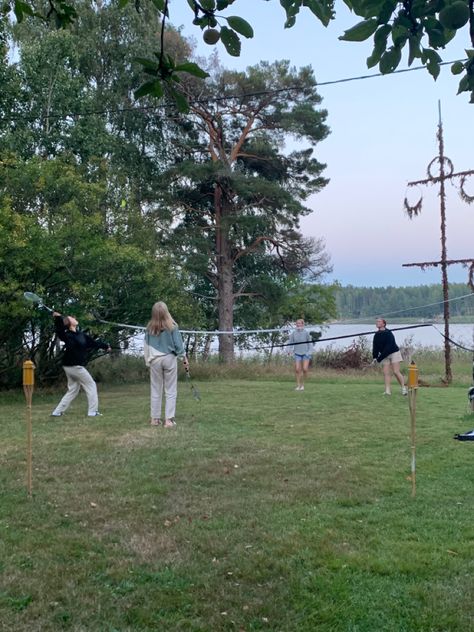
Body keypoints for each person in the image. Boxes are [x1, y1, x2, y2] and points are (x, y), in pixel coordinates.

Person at [51, 312, 111, 417]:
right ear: (70, 323)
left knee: (73, 390)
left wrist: (106, 346)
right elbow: (60, 331)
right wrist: (58, 319)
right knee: (91, 385)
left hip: (71, 367)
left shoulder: (81, 335)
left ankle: (57, 412)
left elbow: (93, 343)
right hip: (74, 367)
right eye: (71, 318)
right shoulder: (68, 335)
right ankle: (92, 412)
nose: (74, 318)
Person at [144, 301, 189, 428]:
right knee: (170, 390)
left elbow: (146, 346)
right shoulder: (173, 326)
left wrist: (148, 361)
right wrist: (184, 359)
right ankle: (169, 420)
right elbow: (179, 346)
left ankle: (155, 419)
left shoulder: (149, 328)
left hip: (155, 360)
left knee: (155, 389)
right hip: (169, 358)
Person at [372, 317, 407, 396]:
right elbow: (375, 347)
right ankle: (387, 391)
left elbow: (389, 348)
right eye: (376, 321)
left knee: (396, 372)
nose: (377, 322)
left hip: (393, 352)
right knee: (386, 373)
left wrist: (379, 359)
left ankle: (403, 388)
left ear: (383, 324)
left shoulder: (388, 333)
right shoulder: (376, 335)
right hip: (384, 355)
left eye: (379, 321)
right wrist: (375, 357)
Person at [288, 318, 313, 391]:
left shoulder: (306, 333)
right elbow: (290, 343)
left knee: (305, 369)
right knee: (297, 369)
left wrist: (309, 352)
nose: (298, 325)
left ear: (302, 324)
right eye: (297, 323)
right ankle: (298, 385)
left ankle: (303, 385)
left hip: (306, 353)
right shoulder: (293, 333)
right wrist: (289, 350)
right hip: (297, 353)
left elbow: (310, 343)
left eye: (300, 323)